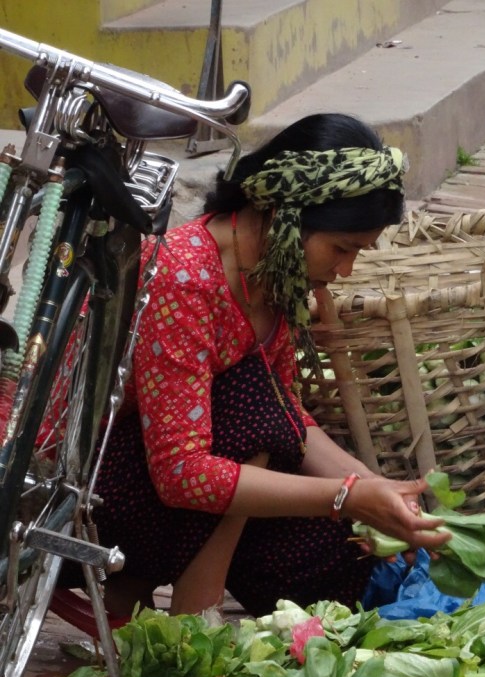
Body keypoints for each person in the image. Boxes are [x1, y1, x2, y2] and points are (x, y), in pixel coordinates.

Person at [74, 113, 451, 619]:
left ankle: (166, 601)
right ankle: (191, 620)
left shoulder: (272, 275)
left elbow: (287, 411)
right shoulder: (184, 276)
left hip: (166, 485)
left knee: (338, 558)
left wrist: (372, 491)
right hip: (86, 493)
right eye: (341, 249)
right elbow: (182, 472)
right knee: (255, 414)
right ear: (282, 214)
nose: (345, 271)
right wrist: (347, 496)